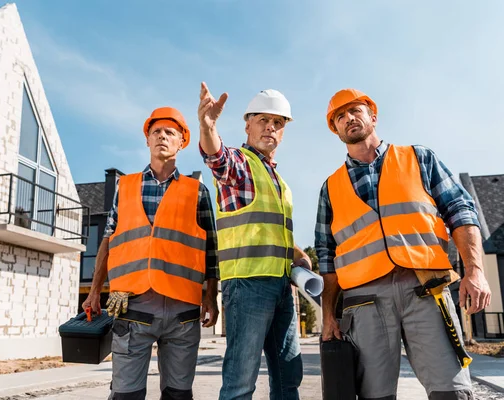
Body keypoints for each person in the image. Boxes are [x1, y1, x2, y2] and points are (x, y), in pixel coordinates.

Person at [316, 88, 492, 399]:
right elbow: (327, 257)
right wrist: (329, 315)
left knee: (451, 390)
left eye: (355, 110)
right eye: (340, 117)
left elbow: (461, 211)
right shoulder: (330, 188)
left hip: (424, 289)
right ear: (336, 130)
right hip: (364, 300)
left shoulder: (419, 158)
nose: (348, 119)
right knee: (375, 395)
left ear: (373, 115)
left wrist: (474, 271)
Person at [82, 106, 220, 400]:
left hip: (182, 310)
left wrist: (211, 296)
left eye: (170, 132)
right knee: (125, 395)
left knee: (178, 395)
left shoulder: (198, 191)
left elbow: (210, 250)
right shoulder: (126, 186)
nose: (162, 137)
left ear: (181, 142)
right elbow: (108, 239)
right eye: (156, 131)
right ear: (147, 139)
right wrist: (95, 291)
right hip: (132, 306)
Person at [198, 82, 310, 400]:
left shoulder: (279, 181)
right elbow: (217, 158)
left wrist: (296, 253)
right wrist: (208, 127)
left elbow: (267, 229)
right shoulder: (240, 164)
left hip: (281, 287)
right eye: (263, 120)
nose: (270, 128)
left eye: (278, 123)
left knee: (289, 379)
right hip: (247, 285)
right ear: (247, 124)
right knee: (240, 384)